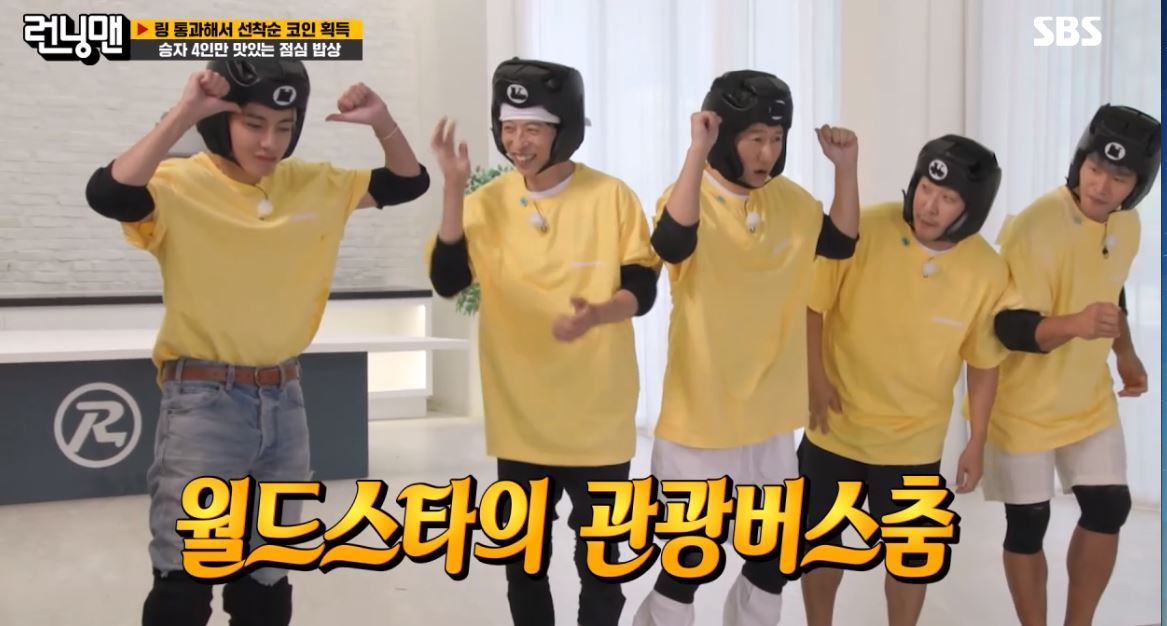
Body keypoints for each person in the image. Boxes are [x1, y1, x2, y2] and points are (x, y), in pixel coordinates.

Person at [84, 58, 429, 626]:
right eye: (253, 124)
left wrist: (383, 121)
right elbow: (109, 192)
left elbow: (408, 181)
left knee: (269, 576)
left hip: (285, 400)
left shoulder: (316, 183)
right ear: (222, 122)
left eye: (285, 126)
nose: (270, 142)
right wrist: (185, 113)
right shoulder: (178, 184)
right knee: (183, 579)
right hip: (203, 404)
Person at [426, 57, 659, 626]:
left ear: (564, 128)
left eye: (532, 128)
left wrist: (601, 313)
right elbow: (449, 280)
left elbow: (642, 286)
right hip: (521, 416)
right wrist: (453, 189)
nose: (518, 142)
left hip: (597, 418)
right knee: (523, 561)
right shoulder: (486, 202)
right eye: (508, 128)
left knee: (601, 562)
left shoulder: (612, 197)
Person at [632, 69, 860, 626]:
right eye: (754, 138)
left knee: (772, 559)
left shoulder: (792, 202)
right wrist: (697, 151)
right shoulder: (687, 198)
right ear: (726, 136)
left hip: (770, 420)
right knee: (689, 562)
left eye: (776, 139)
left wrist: (846, 170)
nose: (766, 153)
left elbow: (841, 241)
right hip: (700, 421)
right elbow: (671, 243)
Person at [799, 135, 1008, 626]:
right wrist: (814, 380)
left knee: (911, 558)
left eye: (948, 198)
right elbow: (812, 304)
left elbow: (983, 362)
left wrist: (977, 439)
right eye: (926, 189)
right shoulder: (864, 227)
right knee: (820, 546)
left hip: (914, 442)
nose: (929, 206)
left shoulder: (987, 270)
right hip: (836, 428)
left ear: (972, 208)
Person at [988, 103, 1160, 626]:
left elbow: (1112, 287)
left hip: (1086, 397)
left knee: (1109, 508)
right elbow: (1009, 327)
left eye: (1119, 177)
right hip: (1024, 404)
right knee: (1028, 524)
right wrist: (1077, 324)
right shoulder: (1037, 224)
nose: (1101, 185)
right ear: (1079, 161)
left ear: (1138, 186)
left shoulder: (1126, 224)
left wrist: (1125, 352)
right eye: (1095, 168)